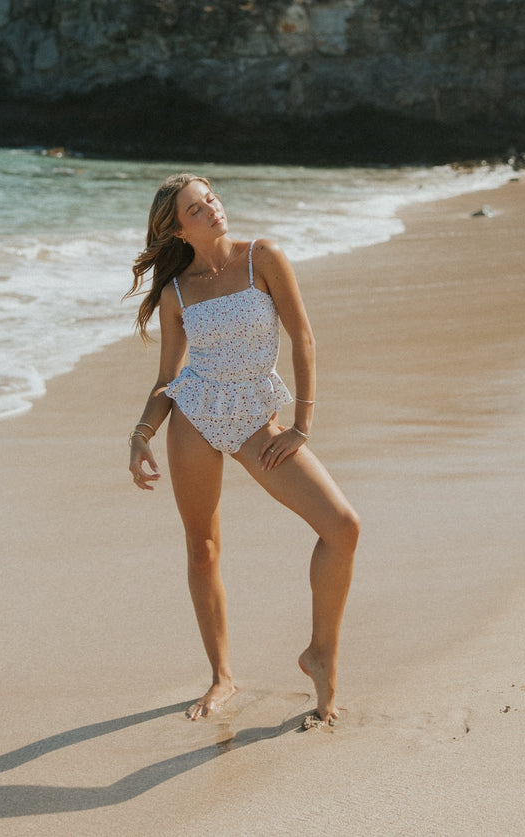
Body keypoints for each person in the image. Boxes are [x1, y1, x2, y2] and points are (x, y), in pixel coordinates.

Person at [125, 173, 360, 724]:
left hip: (258, 419)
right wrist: (140, 436)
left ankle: (320, 654)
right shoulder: (176, 292)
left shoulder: (263, 257)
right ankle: (222, 677)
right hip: (195, 418)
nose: (212, 210)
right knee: (202, 549)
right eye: (196, 209)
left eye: (211, 199)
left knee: (342, 527)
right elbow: (168, 378)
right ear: (178, 230)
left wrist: (302, 424)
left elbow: (303, 337)